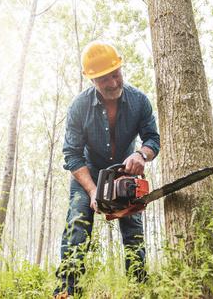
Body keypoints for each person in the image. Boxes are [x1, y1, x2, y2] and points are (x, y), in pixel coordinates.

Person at [53, 41, 160, 298]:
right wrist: (92, 191)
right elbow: (72, 155)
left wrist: (141, 155)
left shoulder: (139, 101)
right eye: (104, 79)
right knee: (77, 226)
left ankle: (138, 287)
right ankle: (67, 290)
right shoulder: (79, 107)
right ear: (92, 80)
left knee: (133, 230)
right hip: (88, 174)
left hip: (125, 172)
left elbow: (152, 140)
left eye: (116, 74)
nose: (112, 83)